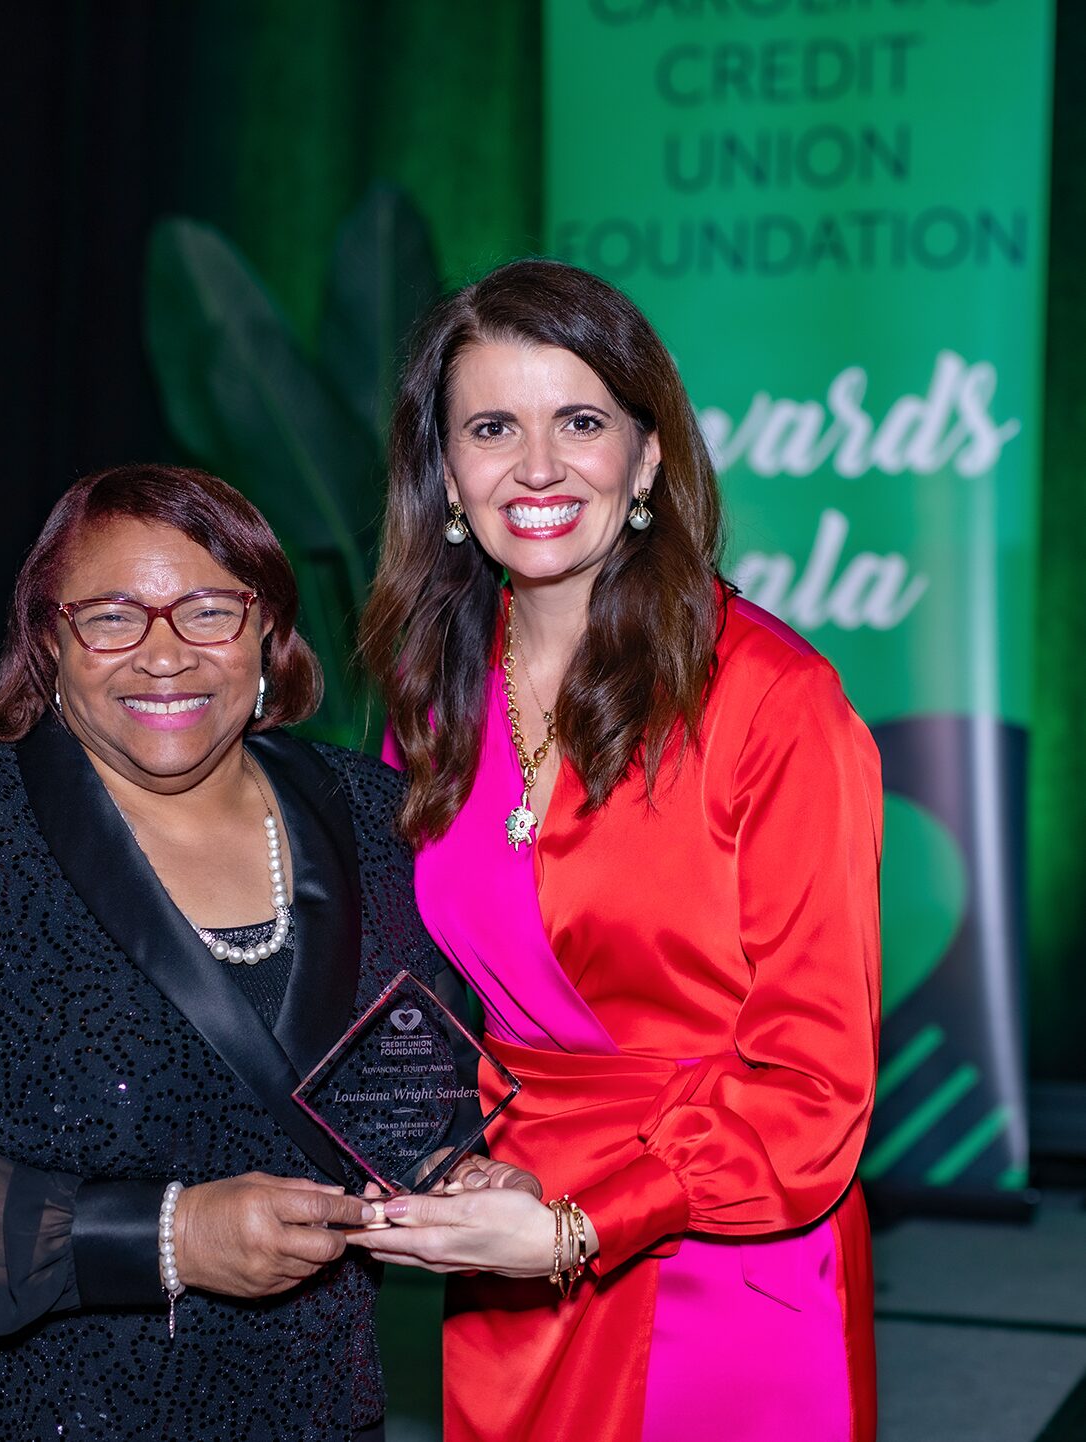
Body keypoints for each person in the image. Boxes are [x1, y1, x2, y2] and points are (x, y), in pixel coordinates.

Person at [0, 463, 474, 1442]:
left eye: (206, 611)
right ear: (49, 641)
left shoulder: (369, 816)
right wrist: (164, 1236)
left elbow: (412, 1082)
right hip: (21, 1409)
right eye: (110, 615)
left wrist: (459, 1165)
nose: (163, 654)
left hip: (307, 1403)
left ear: (266, 630)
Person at [353, 260, 882, 1442]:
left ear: (645, 457)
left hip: (721, 1237)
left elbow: (813, 1092)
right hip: (506, 1239)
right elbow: (417, 990)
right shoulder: (429, 695)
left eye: (579, 421)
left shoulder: (772, 701)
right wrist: (451, 1152)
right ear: (445, 471)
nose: (535, 467)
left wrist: (578, 1225)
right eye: (491, 426)